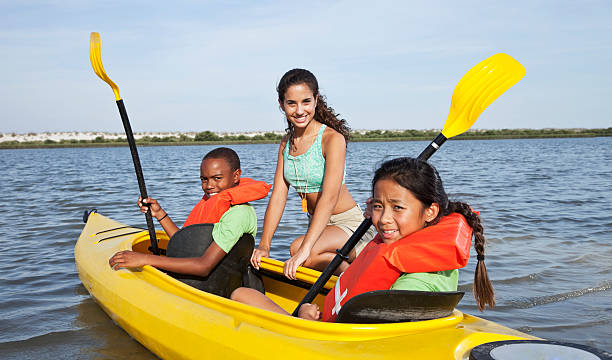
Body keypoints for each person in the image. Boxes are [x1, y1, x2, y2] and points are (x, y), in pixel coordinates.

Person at [232, 157, 495, 321]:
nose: (384, 219)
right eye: (378, 206)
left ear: (430, 212)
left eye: (398, 208)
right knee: (243, 292)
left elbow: (360, 337)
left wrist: (306, 319)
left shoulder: (417, 284)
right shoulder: (402, 240)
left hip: (328, 339)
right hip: (337, 317)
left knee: (241, 295)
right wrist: (384, 207)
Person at [251, 68, 376, 280]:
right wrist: (264, 245)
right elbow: (278, 196)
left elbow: (329, 197)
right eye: (292, 103)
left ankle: (360, 278)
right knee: (304, 255)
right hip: (320, 227)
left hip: (349, 225)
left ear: (316, 100)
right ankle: (354, 278)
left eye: (306, 101)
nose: (300, 110)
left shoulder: (332, 139)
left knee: (297, 248)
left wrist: (305, 248)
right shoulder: (286, 143)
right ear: (281, 104)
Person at [109, 147, 271, 278]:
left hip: (217, 283)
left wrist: (144, 259)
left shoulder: (238, 214)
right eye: (204, 179)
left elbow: (203, 267)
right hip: (206, 279)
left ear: (236, 176)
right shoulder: (212, 203)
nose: (209, 185)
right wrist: (159, 214)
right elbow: (188, 246)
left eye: (217, 178)